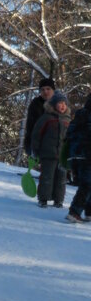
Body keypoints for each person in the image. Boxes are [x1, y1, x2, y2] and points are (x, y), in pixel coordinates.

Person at [30, 91, 71, 208]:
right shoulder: (46, 118)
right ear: (53, 105)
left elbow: (70, 138)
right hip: (48, 154)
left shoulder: (68, 120)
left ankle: (58, 200)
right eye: (60, 103)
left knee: (61, 179)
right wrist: (36, 150)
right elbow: (37, 135)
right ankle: (43, 199)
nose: (62, 106)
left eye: (64, 103)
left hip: (63, 156)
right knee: (47, 176)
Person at [65, 92, 91, 223]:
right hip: (87, 155)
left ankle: (89, 212)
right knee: (87, 185)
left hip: (76, 154)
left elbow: (69, 133)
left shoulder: (81, 114)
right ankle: (74, 212)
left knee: (87, 183)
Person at [24, 76, 55, 155]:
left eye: (48, 89)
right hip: (38, 145)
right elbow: (31, 127)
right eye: (43, 89)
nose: (45, 92)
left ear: (53, 90)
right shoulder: (35, 104)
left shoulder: (61, 104)